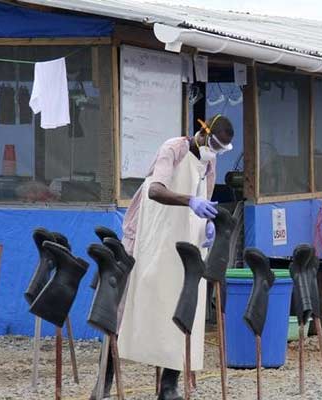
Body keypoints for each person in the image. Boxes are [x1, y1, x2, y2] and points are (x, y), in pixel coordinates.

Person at [90, 114, 234, 400]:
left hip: (182, 243)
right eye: (214, 144)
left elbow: (205, 195)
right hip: (148, 237)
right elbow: (156, 190)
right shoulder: (174, 149)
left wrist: (206, 225)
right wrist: (190, 201)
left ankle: (169, 385)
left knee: (180, 309)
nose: (215, 151)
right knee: (123, 309)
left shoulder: (210, 162)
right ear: (203, 133)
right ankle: (104, 383)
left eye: (221, 149)